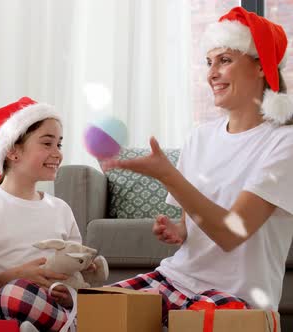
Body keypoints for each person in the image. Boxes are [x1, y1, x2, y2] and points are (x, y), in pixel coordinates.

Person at [101, 6, 293, 325]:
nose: (211, 73)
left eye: (225, 60)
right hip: (176, 280)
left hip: (238, 297)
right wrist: (177, 230)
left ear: (261, 67)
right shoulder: (200, 137)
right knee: (92, 313)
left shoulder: (284, 144)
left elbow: (232, 232)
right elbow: (191, 226)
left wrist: (169, 175)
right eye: (209, 62)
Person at [0, 97, 108, 331]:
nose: (57, 153)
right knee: (10, 297)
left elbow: (74, 277)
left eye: (59, 144)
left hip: (49, 309)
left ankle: (63, 323)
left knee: (90, 300)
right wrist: (18, 276)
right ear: (13, 151)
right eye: (47, 143)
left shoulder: (60, 209)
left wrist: (68, 294)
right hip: (0, 308)